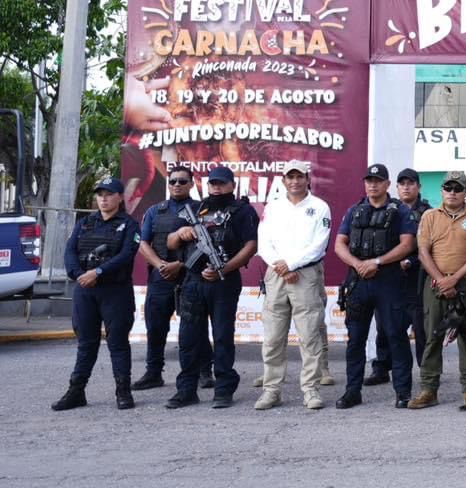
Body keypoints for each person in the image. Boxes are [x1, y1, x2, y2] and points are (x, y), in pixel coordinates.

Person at [164, 166, 259, 409]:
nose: (217, 187)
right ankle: (186, 389)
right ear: (207, 185)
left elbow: (250, 246)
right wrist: (181, 232)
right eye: (213, 183)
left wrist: (222, 270)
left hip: (224, 282)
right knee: (188, 338)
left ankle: (224, 388)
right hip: (193, 281)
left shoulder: (242, 211)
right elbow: (170, 242)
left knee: (222, 337)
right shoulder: (194, 209)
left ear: (232, 186)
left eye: (222, 183)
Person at [334, 163, 419, 409]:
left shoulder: (400, 211)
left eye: (378, 180)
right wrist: (358, 264)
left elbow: (407, 245)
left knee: (395, 335)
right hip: (359, 281)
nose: (373, 184)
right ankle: (352, 391)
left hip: (388, 280)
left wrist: (377, 262)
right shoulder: (355, 211)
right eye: (369, 180)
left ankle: (403, 392)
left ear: (387, 184)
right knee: (356, 339)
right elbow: (340, 244)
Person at [52, 178, 140, 412]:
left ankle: (123, 391)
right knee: (86, 343)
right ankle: (76, 391)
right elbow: (70, 250)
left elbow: (126, 255)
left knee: (118, 343)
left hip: (115, 291)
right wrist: (78, 274)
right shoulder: (85, 223)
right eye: (100, 194)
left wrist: (98, 272)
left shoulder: (129, 225)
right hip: (86, 290)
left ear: (120, 197)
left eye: (109, 194)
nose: (103, 198)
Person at [254, 159, 331, 411]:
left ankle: (310, 390)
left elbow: (319, 244)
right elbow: (263, 241)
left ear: (308, 179)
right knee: (274, 337)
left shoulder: (320, 207)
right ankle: (272, 390)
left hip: (305, 275)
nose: (295, 181)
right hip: (276, 274)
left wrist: (292, 264)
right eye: (290, 177)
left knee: (309, 335)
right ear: (284, 180)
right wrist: (280, 265)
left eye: (299, 177)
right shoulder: (273, 207)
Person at [410, 171, 466, 409]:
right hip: (434, 285)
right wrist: (441, 279)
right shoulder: (429, 216)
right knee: (432, 335)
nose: (452, 192)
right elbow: (423, 251)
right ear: (442, 191)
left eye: (458, 188)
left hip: (463, 285)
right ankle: (428, 390)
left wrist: (454, 279)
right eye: (448, 188)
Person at [133, 166, 203, 392]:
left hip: (191, 275)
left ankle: (203, 372)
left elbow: (206, 244)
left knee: (195, 326)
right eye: (173, 181)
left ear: (192, 184)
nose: (177, 185)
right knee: (156, 327)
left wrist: (181, 264)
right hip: (161, 275)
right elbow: (143, 243)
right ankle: (153, 373)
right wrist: (161, 265)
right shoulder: (155, 211)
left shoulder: (201, 209)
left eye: (183, 181)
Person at [368, 168, 431, 389]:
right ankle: (382, 367)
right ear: (396, 187)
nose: (406, 187)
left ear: (418, 187)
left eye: (410, 183)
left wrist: (410, 262)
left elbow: (430, 247)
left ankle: (426, 372)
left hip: (417, 277)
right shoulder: (389, 209)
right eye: (402, 183)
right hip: (389, 275)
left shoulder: (428, 213)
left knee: (421, 326)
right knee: (385, 324)